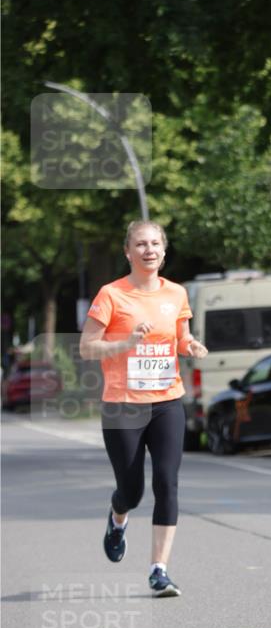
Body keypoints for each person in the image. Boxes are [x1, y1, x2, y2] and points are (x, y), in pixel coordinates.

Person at [80, 220, 208, 597]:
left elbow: (180, 337)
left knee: (167, 483)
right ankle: (118, 518)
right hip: (123, 405)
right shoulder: (112, 295)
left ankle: (159, 569)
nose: (149, 249)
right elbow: (88, 347)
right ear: (128, 252)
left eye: (155, 243)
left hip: (167, 401)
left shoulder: (177, 294)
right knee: (131, 491)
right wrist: (125, 344)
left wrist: (190, 346)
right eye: (141, 244)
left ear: (164, 251)